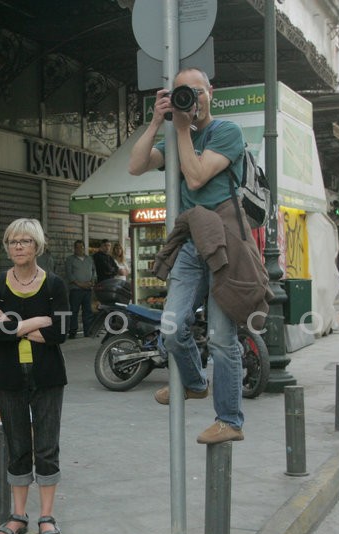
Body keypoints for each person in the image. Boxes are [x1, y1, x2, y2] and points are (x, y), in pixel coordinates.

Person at [129, 67, 253, 446]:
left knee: (220, 337)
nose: (190, 100)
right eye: (182, 94)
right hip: (190, 242)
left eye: (195, 92)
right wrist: (156, 122)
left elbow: (196, 178)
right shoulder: (174, 135)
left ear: (210, 93)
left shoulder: (226, 132)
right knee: (170, 325)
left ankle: (229, 419)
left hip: (224, 242)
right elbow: (135, 166)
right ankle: (195, 383)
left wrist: (182, 129)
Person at [0, 218, 69, 534]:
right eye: (12, 242)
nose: (18, 247)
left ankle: (46, 517)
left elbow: (60, 332)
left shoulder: (54, 285)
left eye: (25, 242)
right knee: (17, 446)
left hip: (48, 376)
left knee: (47, 447)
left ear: (38, 246)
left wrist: (12, 324)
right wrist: (38, 321)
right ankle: (18, 516)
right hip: (7, 377)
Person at [64, 240, 95, 338]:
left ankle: (88, 332)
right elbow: (69, 274)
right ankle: (73, 332)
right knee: (74, 311)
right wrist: (80, 284)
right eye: (77, 247)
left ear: (84, 248)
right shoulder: (70, 259)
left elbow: (94, 271)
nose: (79, 249)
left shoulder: (89, 259)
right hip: (75, 290)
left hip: (88, 290)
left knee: (88, 311)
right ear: (74, 248)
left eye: (81, 247)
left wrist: (92, 282)